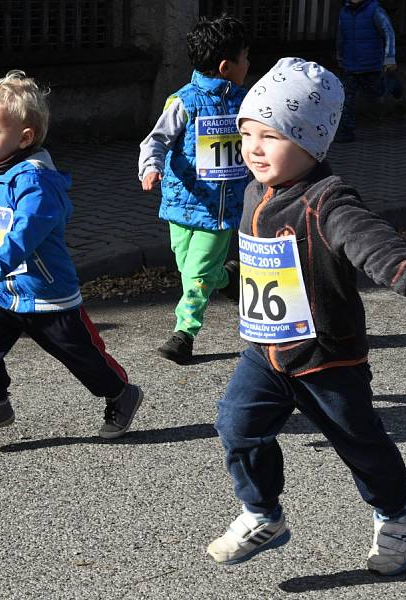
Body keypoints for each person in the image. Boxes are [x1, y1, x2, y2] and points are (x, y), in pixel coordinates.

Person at [206, 57, 406, 575]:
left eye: (271, 135)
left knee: (362, 446)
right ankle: (262, 512)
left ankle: (398, 515)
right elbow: (260, 253)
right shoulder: (252, 191)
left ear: (312, 143)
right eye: (247, 133)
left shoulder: (327, 202)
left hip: (327, 357)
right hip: (267, 352)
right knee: (236, 425)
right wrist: (232, 274)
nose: (254, 148)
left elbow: (371, 243)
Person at [0, 70, 143, 440]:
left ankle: (121, 394)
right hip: (1, 291)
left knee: (83, 358)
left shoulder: (36, 182)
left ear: (24, 138)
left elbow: (24, 235)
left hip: (45, 293)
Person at [138, 14, 250, 365]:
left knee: (197, 274)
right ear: (225, 66)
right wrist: (150, 167)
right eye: (245, 58)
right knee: (190, 268)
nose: (249, 64)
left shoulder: (247, 102)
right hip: (182, 203)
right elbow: (155, 140)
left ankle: (184, 333)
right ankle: (227, 276)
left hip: (222, 209)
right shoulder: (183, 102)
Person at [335, 0, 401, 143]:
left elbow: (388, 33)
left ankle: (391, 83)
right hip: (350, 65)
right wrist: (340, 56)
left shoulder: (375, 11)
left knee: (377, 93)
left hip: (371, 65)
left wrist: (389, 58)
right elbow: (340, 36)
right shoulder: (344, 12)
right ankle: (346, 131)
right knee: (346, 99)